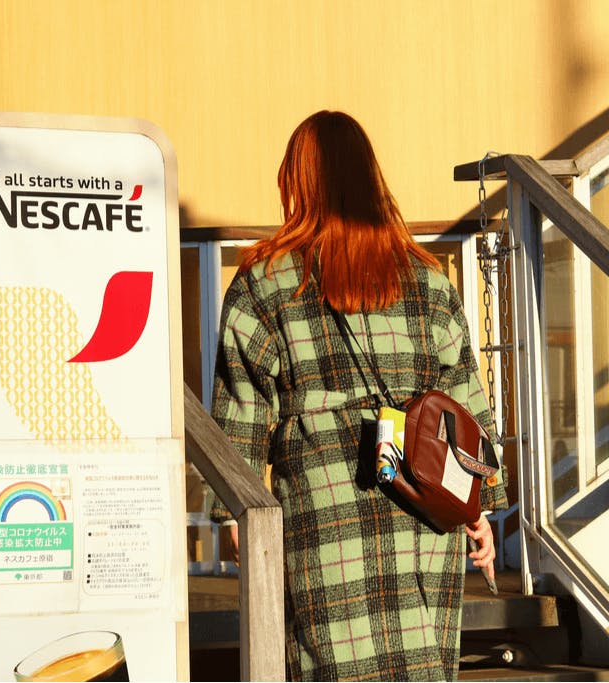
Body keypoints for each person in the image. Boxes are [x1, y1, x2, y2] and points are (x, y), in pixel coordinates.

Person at [211, 110, 508, 681]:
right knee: (420, 661)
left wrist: (233, 514)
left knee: (329, 662)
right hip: (422, 504)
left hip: (324, 512)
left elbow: (240, 426)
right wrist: (481, 507)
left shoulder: (264, 284)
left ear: (297, 184)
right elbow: (468, 412)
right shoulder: (429, 284)